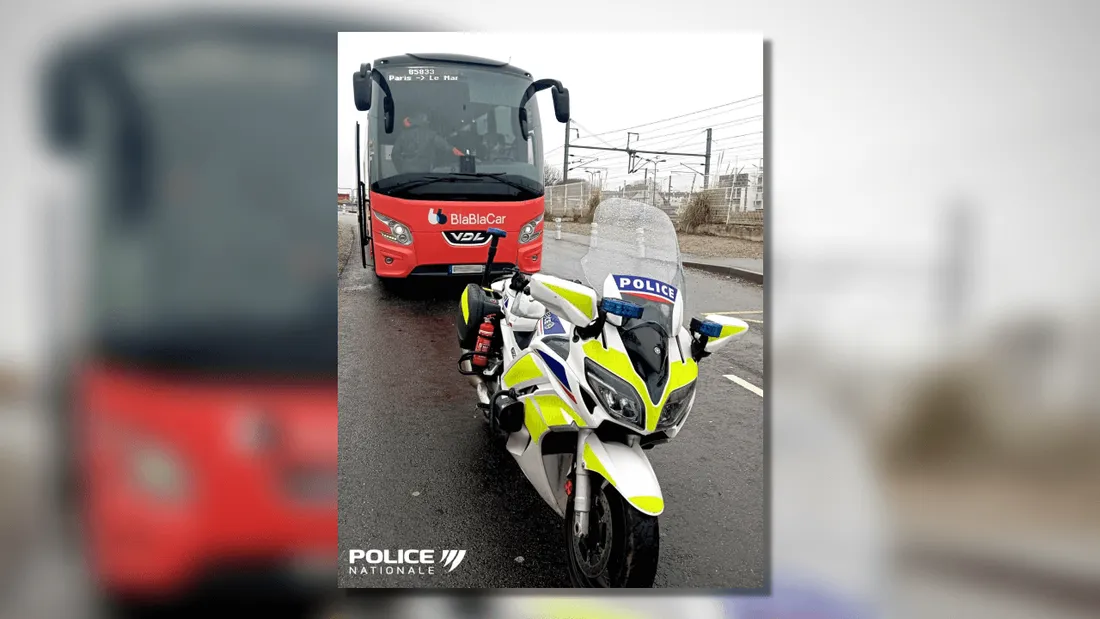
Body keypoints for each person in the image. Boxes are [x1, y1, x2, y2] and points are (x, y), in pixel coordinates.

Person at [390, 111, 464, 174]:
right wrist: (462, 155)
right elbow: (445, 146)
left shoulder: (403, 134)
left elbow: (394, 154)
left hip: (406, 174)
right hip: (423, 175)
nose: (428, 121)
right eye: (426, 119)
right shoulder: (430, 134)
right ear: (421, 120)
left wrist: (401, 169)